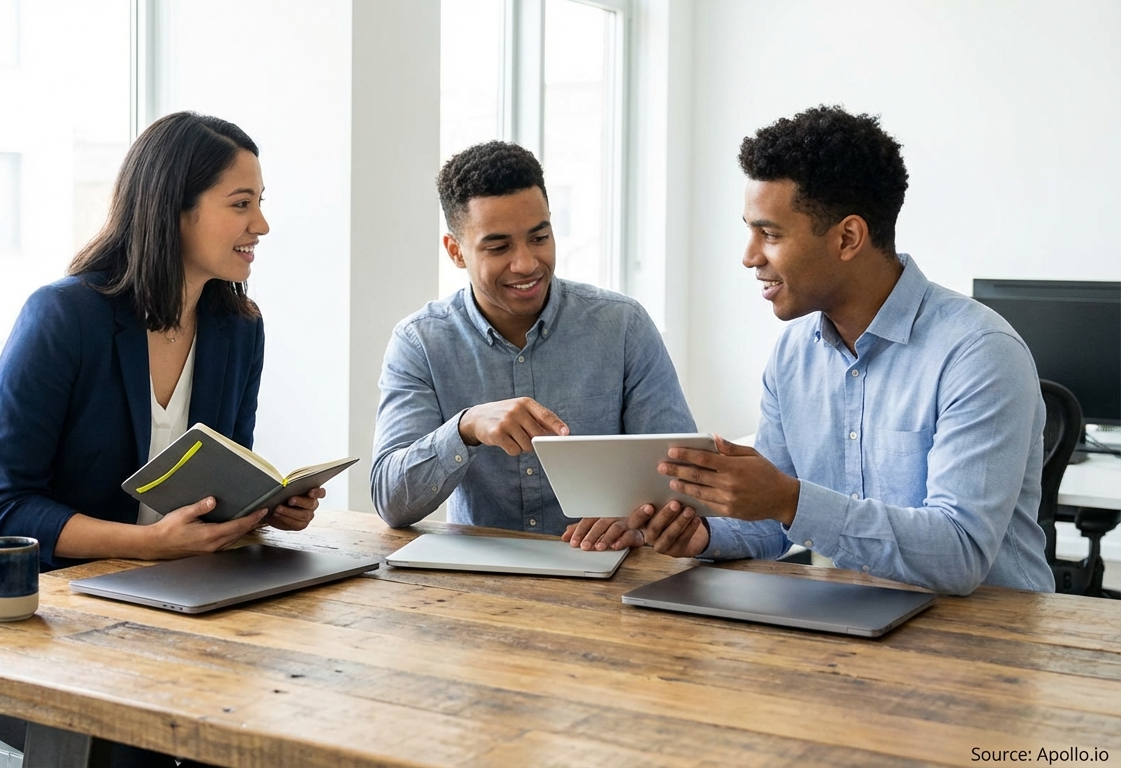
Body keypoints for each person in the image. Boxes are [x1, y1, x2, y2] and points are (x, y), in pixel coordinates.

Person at [0, 112, 325, 766]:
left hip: (164, 602)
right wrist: (149, 544)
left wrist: (265, 507)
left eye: (260, 205)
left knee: (273, 710)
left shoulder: (238, 328)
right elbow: (4, 508)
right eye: (241, 205)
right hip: (32, 613)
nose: (260, 225)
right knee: (149, 743)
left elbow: (217, 476)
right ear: (174, 208)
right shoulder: (63, 317)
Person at [621, 105, 1052, 595]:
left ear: (848, 237)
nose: (749, 256)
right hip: (851, 625)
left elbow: (960, 553)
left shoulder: (978, 353)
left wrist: (789, 500)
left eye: (770, 233)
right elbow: (771, 523)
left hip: (991, 639)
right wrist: (701, 534)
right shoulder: (793, 355)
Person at [370, 141, 694, 540]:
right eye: (499, 246)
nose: (526, 263)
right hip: (476, 585)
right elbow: (391, 502)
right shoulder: (420, 342)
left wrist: (638, 522)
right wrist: (465, 428)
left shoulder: (622, 326)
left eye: (539, 238)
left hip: (608, 572)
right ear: (456, 251)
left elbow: (681, 479)